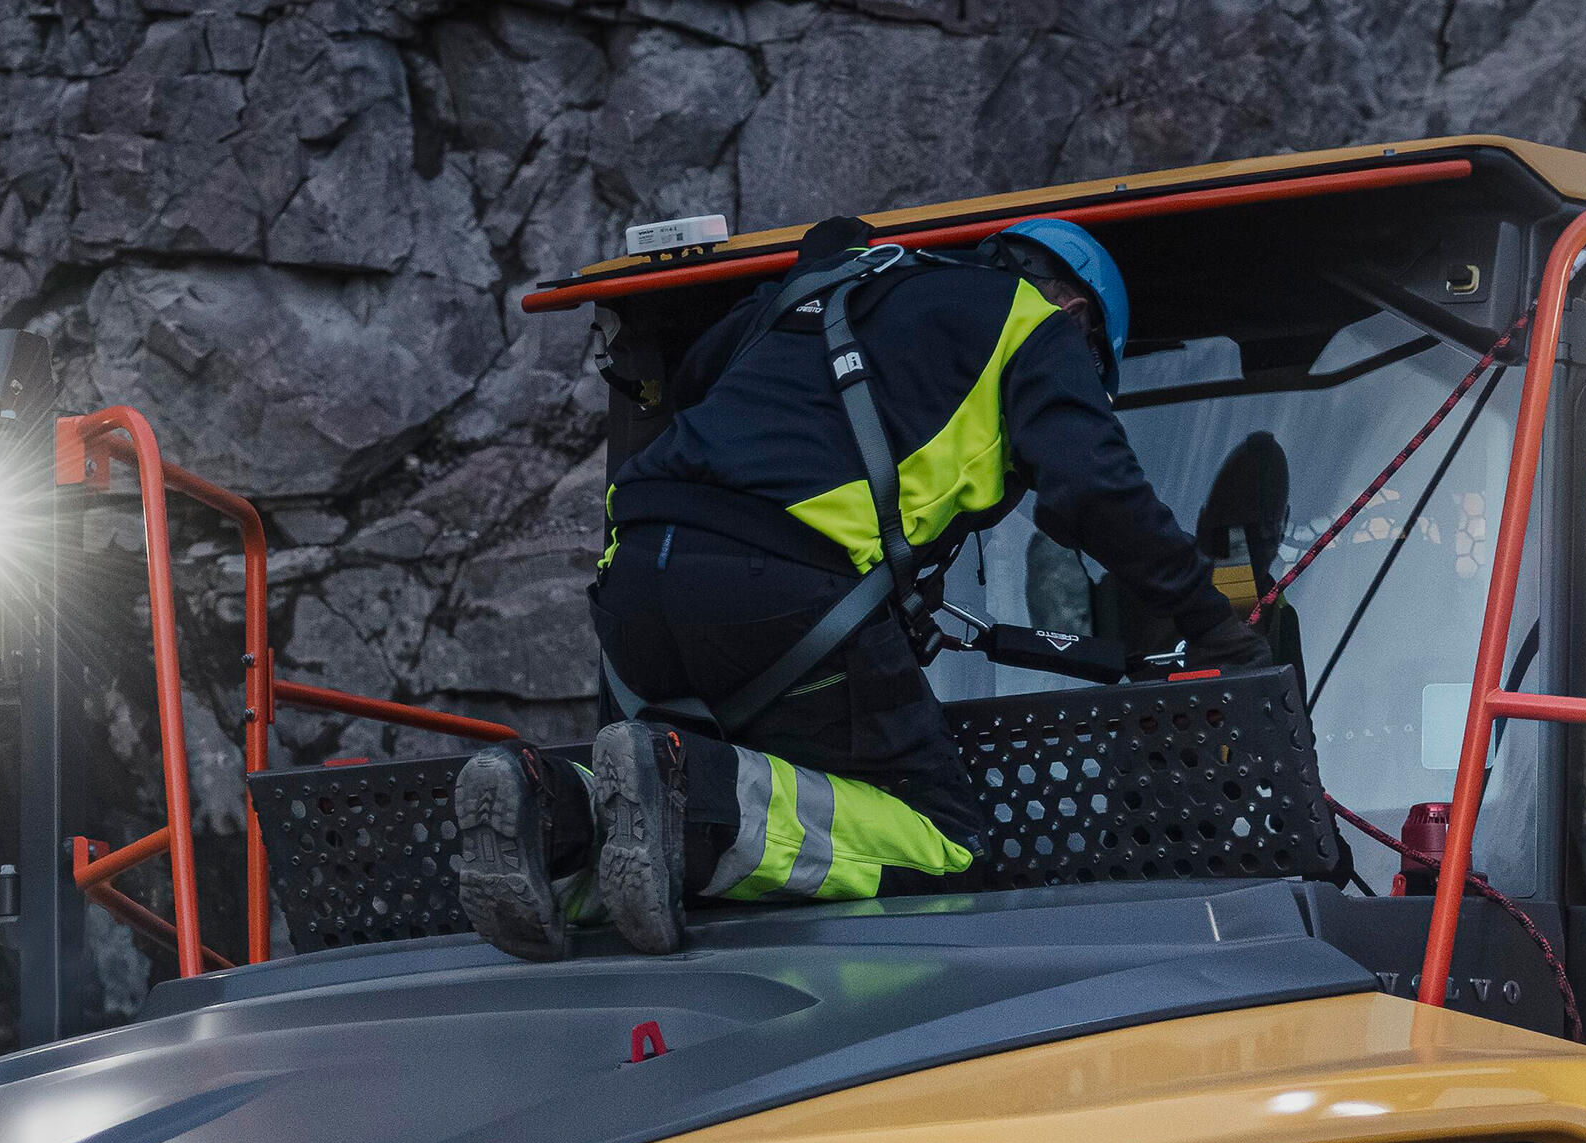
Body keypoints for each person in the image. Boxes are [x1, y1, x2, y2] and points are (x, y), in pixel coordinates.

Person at [453, 216, 1271, 960]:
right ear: (1080, 321)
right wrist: (1215, 625)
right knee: (942, 840)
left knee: (749, 795)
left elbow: (696, 379)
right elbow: (1097, 490)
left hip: (632, 583)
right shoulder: (1033, 324)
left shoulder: (820, 293)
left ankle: (551, 811)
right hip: (775, 593)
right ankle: (689, 797)